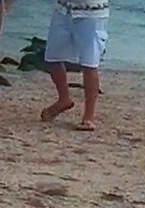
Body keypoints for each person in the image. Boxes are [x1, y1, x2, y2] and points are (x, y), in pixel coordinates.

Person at [39, 0, 110, 131]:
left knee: (89, 64)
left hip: (92, 13)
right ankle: (63, 99)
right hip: (63, 10)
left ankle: (88, 116)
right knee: (52, 58)